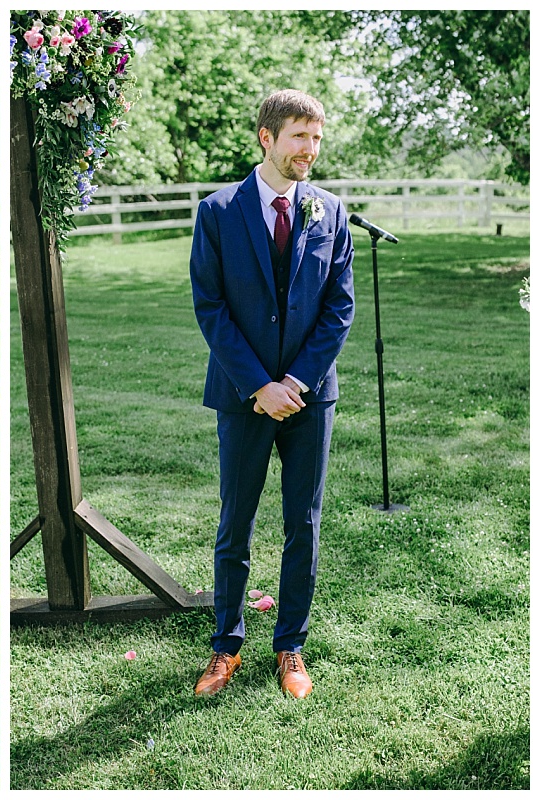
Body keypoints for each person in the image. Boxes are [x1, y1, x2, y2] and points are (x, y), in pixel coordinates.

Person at [189, 89, 355, 699]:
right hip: (243, 396)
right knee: (236, 522)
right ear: (267, 137)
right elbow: (211, 306)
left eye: (316, 138)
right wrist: (259, 385)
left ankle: (291, 647)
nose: (310, 150)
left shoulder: (331, 211)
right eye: (298, 138)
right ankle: (225, 647)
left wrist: (295, 382)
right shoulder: (218, 211)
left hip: (311, 398)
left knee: (303, 524)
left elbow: (339, 308)